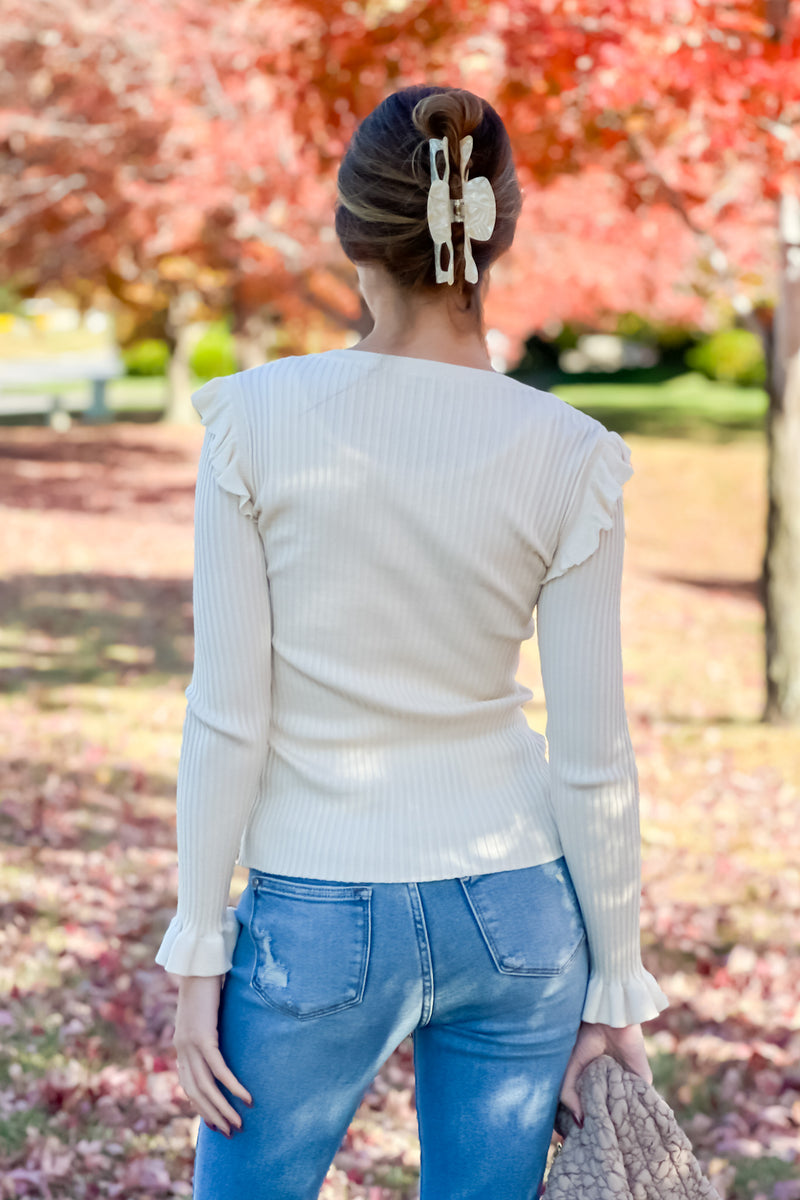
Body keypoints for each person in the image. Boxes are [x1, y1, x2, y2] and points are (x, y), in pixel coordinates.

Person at [154, 84, 670, 1200]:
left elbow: (227, 713)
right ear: (498, 232)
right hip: (520, 915)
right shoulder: (572, 452)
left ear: (352, 238)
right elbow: (593, 759)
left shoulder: (251, 422)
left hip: (314, 914)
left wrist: (198, 947)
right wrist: (612, 986)